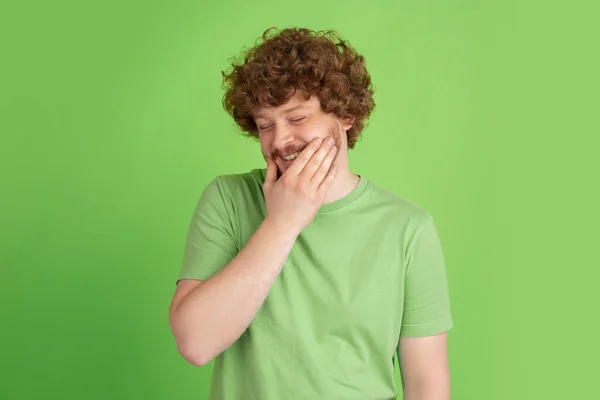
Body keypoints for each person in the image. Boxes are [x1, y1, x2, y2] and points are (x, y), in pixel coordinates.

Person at [169, 27, 453, 400]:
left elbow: (426, 382)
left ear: (345, 116)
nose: (280, 140)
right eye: (265, 125)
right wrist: (282, 223)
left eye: (298, 118)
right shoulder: (229, 199)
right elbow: (196, 343)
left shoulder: (408, 229)